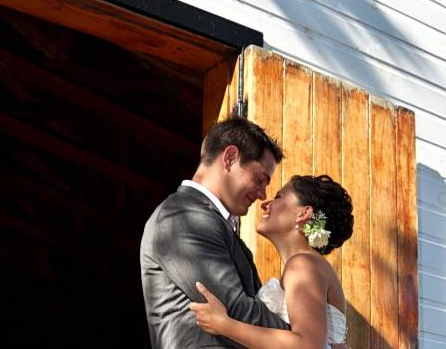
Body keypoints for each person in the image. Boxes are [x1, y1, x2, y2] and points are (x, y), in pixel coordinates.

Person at [140, 116, 289, 347]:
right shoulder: (182, 217)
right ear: (230, 158)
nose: (262, 194)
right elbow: (236, 309)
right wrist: (305, 341)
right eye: (260, 179)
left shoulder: (215, 224)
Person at [190, 174, 354, 349]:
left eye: (278, 197)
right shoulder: (309, 264)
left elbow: (308, 345)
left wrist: (225, 326)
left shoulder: (303, 265)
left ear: (304, 213)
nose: (265, 204)